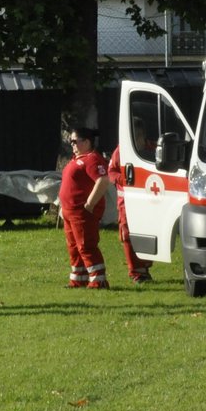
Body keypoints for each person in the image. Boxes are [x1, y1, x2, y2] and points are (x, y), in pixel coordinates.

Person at [60, 126, 110, 289]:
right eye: (71, 141)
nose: (72, 144)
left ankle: (98, 280)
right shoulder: (76, 159)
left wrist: (90, 204)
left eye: (75, 141)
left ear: (87, 142)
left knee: (86, 245)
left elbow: (102, 180)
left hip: (82, 212)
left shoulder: (92, 159)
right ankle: (78, 278)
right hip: (69, 211)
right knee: (74, 246)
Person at [106, 122, 152, 285]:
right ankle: (136, 272)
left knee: (147, 232)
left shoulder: (151, 149)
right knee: (127, 234)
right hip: (126, 201)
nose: (137, 139)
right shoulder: (121, 151)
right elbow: (111, 172)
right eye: (134, 135)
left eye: (139, 135)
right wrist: (125, 179)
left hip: (149, 199)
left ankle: (145, 267)